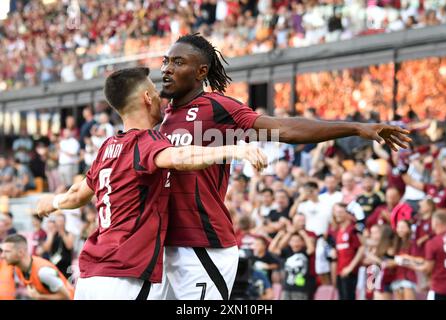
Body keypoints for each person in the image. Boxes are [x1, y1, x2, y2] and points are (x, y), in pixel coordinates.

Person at [150, 33, 410, 300]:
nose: (167, 68)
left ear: (201, 71)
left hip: (202, 245)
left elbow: (284, 129)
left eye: (178, 62)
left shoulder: (218, 107)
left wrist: (354, 128)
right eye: (166, 61)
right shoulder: (163, 118)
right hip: (165, 245)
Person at [36, 67, 267, 300]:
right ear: (147, 97)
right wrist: (234, 149)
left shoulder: (107, 148)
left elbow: (76, 195)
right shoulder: (147, 141)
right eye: (155, 92)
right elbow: (180, 158)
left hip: (90, 275)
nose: (162, 98)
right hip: (125, 276)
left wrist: (53, 202)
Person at [1, 234, 74, 300]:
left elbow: (67, 296)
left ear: (21, 253)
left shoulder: (43, 272)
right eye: (2, 251)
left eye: (7, 252)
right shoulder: (18, 268)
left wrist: (39, 296)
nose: (2, 256)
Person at [409, 211, 446, 300]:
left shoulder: (433, 242)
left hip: (440, 288)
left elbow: (427, 268)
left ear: (435, 223)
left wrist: (410, 265)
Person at [331, 203, 365, 300]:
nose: (338, 215)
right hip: (339, 270)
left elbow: (361, 247)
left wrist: (350, 267)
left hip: (349, 271)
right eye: (336, 212)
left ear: (348, 214)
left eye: (341, 212)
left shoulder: (352, 230)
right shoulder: (338, 231)